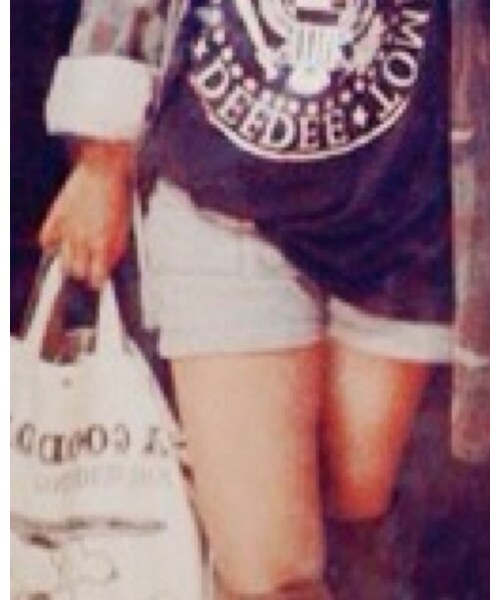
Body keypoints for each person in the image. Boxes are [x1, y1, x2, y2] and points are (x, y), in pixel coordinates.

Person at [39, 1, 453, 598]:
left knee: (356, 526)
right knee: (270, 572)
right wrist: (103, 160)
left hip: (403, 216)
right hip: (225, 195)